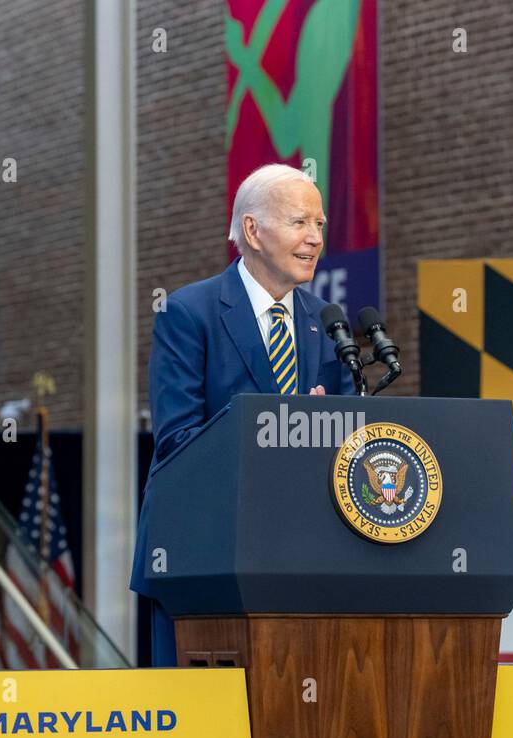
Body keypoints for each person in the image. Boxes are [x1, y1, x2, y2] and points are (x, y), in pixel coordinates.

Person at [132, 163, 357, 665]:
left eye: (320, 225)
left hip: (302, 557)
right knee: (205, 728)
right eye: (301, 222)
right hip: (202, 555)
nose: (315, 238)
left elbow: (348, 443)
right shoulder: (189, 313)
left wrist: (325, 433)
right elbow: (178, 443)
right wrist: (281, 426)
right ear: (253, 231)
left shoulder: (326, 322)